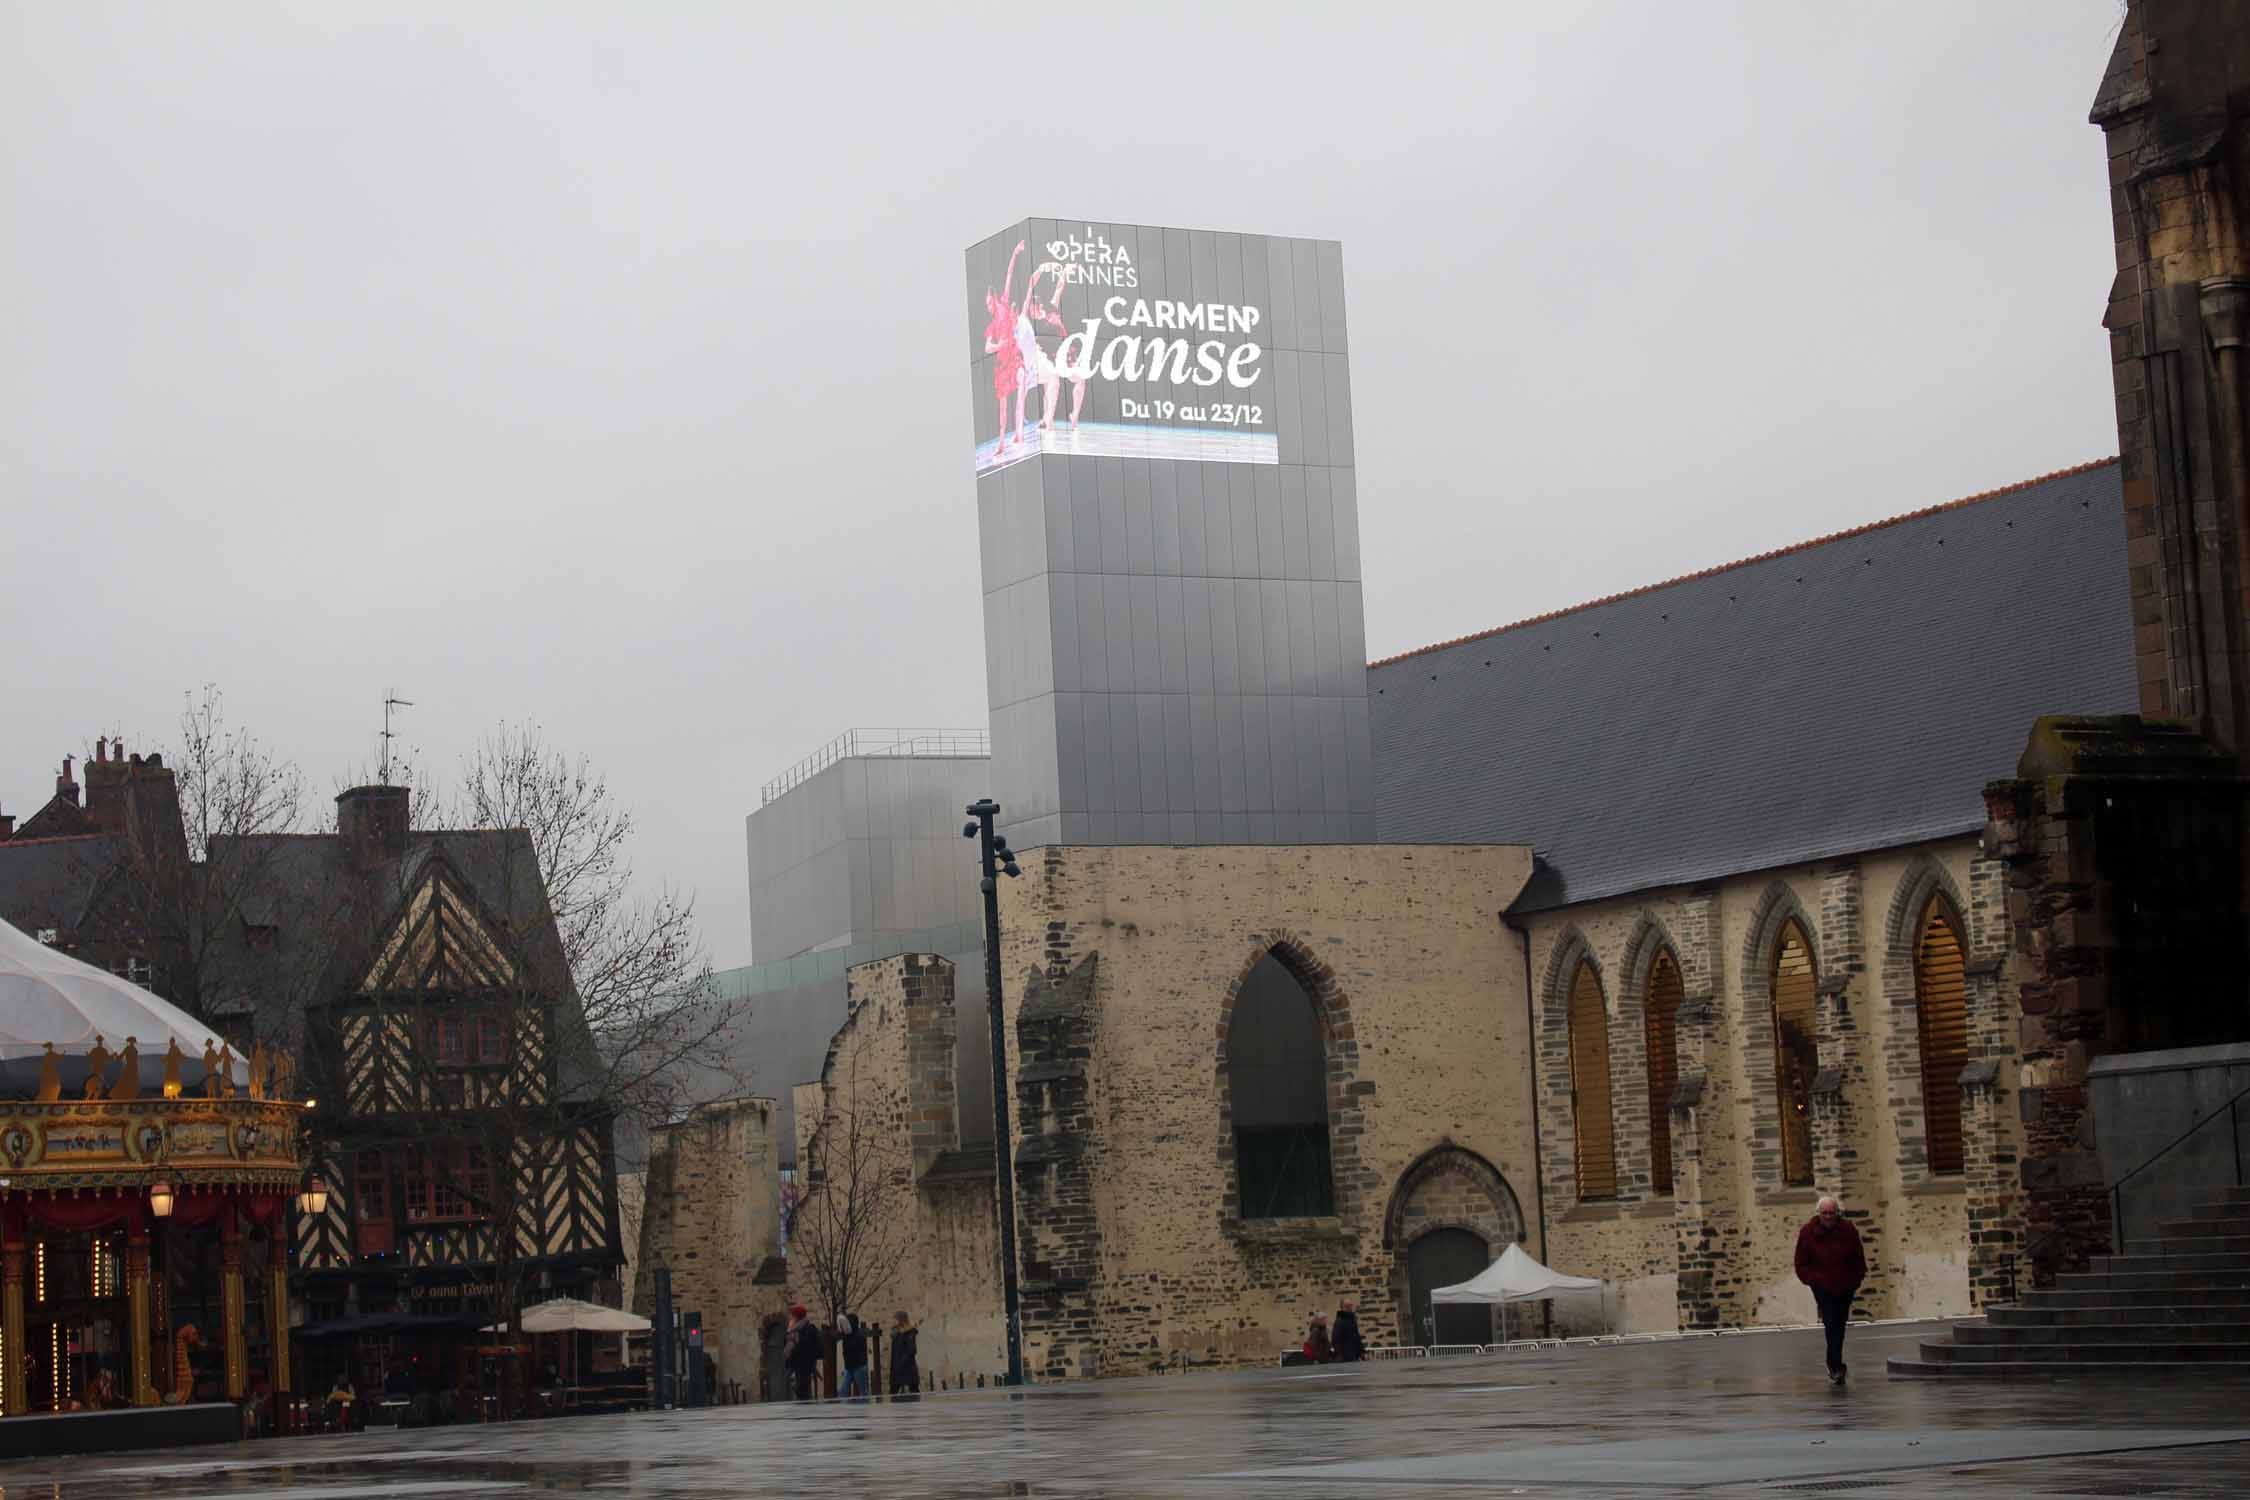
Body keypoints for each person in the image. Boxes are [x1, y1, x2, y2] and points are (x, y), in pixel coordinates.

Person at [1794, 1194, 1868, 1384]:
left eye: (1831, 1213)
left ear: (1837, 1213)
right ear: (1818, 1213)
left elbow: (1858, 1257)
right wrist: (1814, 1281)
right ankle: (1836, 1366)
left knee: (1839, 1325)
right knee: (1831, 1323)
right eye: (1824, 1213)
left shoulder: (1848, 1230)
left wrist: (1856, 1280)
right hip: (1823, 1287)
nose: (1828, 1217)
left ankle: (1834, 1363)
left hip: (1845, 1286)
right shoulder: (1808, 1232)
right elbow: (1801, 1263)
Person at [782, 1304, 824, 1401]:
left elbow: (809, 1347)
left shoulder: (809, 1329)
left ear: (797, 1316)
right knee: (798, 1390)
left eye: (793, 1315)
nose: (791, 1317)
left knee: (803, 1391)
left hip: (804, 1365)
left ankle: (806, 1412)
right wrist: (790, 1332)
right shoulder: (792, 1330)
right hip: (794, 1365)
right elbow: (787, 1346)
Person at [838, 1313, 871, 1400]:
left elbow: (855, 1348)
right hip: (849, 1367)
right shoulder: (847, 1335)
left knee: (863, 1392)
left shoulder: (859, 1335)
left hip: (859, 1366)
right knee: (842, 1390)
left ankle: (864, 1412)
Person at [888, 1310, 919, 1400]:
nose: (894, 1321)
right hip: (897, 1368)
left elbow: (912, 1350)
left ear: (901, 1320)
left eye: (895, 1319)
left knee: (914, 1391)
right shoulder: (896, 1333)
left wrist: (902, 1361)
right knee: (893, 1392)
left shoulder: (909, 1333)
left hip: (907, 1368)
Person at [1331, 1297, 1365, 1362]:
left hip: (1354, 1355)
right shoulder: (1340, 1321)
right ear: (1343, 1307)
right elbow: (1336, 1339)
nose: (1350, 1307)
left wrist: (1361, 1351)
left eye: (1350, 1305)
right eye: (1347, 1306)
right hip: (1345, 1356)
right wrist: (1339, 1354)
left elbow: (1356, 1336)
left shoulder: (1352, 1319)